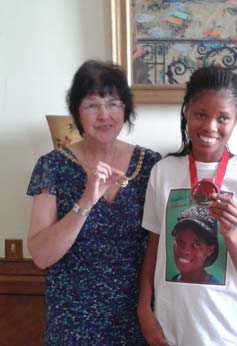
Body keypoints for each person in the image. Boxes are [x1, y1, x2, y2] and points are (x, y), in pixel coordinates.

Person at [138, 65, 237, 346]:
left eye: (222, 118)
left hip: (230, 334)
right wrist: (144, 310)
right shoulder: (162, 171)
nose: (210, 127)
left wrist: (231, 233)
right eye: (201, 114)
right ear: (186, 111)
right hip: (170, 331)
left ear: (236, 120)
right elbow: (153, 249)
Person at [27, 60, 161, 345]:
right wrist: (87, 199)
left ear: (126, 109)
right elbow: (40, 256)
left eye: (113, 103)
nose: (104, 115)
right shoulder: (52, 166)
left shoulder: (151, 165)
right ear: (77, 111)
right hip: (73, 320)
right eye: (92, 105)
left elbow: (158, 244)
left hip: (136, 315)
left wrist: (148, 308)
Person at [170, 206, 220, 284]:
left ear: (210, 250)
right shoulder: (173, 280)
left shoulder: (216, 289)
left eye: (196, 244)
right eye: (180, 241)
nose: (185, 251)